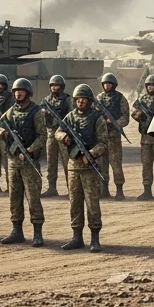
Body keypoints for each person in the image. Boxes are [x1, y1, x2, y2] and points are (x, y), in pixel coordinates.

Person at [55, 84, 108, 251]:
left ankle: (95, 239)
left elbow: (103, 143)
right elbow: (58, 132)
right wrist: (64, 137)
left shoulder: (97, 119)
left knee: (92, 203)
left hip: (90, 168)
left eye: (83, 99)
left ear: (89, 101)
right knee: (75, 203)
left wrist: (91, 154)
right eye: (78, 100)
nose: (80, 102)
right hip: (73, 167)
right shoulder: (69, 118)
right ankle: (76, 237)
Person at [0, 77, 47, 246]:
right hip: (13, 162)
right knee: (14, 198)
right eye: (16, 91)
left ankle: (37, 233)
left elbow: (42, 136)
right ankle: (16, 231)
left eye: (21, 91)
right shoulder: (10, 112)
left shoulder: (36, 112)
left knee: (33, 198)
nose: (18, 94)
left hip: (29, 163)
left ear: (27, 93)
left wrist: (31, 150)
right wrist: (3, 133)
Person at [130, 74, 154, 200]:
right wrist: (139, 116)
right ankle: (147, 190)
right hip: (145, 138)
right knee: (146, 165)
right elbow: (134, 113)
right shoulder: (142, 100)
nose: (150, 88)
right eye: (148, 85)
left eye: (153, 86)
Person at [96, 73, 130, 200]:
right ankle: (104, 190)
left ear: (114, 85)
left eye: (109, 83)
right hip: (101, 137)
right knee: (102, 164)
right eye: (105, 83)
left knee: (116, 164)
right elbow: (93, 114)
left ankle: (119, 190)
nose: (107, 85)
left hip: (114, 136)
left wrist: (115, 122)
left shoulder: (120, 98)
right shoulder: (99, 98)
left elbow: (125, 117)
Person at [41, 74, 71, 198]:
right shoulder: (46, 100)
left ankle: (72, 189)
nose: (54, 88)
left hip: (63, 133)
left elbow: (72, 116)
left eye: (57, 85)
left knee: (67, 162)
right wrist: (44, 112)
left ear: (62, 87)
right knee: (51, 162)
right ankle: (51, 187)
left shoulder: (68, 100)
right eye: (52, 85)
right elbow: (38, 112)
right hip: (51, 133)